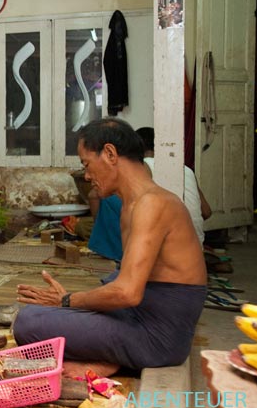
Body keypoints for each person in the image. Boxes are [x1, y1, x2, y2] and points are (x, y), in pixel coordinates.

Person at [15, 118, 206, 376]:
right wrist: (71, 303)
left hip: (157, 338)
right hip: (136, 318)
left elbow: (127, 293)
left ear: (110, 154)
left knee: (28, 323)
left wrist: (68, 300)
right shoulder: (133, 204)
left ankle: (113, 359)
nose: (87, 175)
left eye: (86, 164)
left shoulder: (152, 204)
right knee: (39, 313)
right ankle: (110, 356)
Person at [136, 126, 211, 243]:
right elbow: (206, 212)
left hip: (173, 252)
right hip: (197, 248)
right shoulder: (186, 169)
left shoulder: (144, 167)